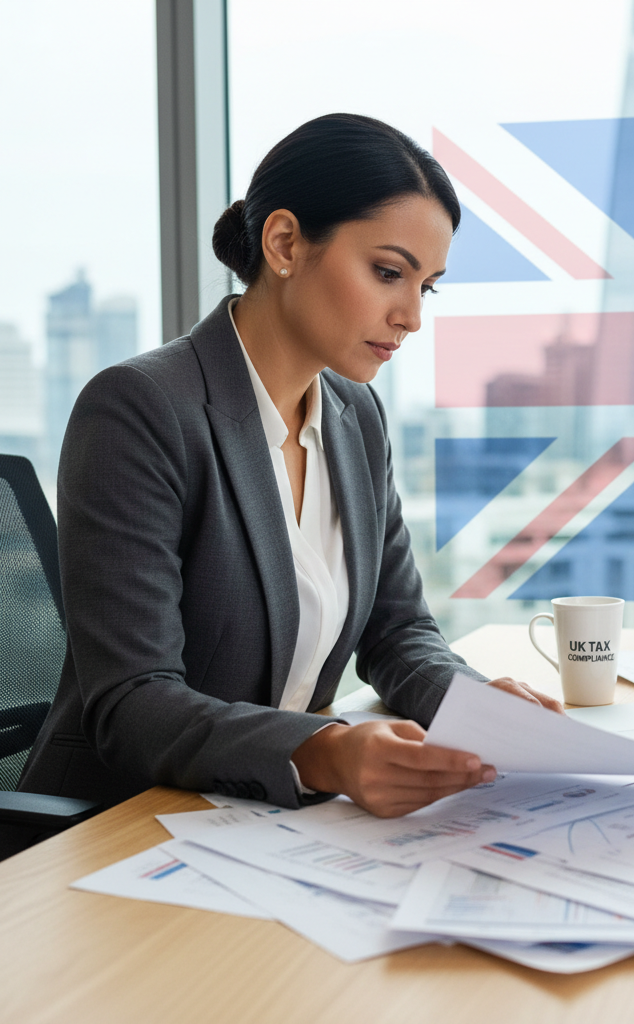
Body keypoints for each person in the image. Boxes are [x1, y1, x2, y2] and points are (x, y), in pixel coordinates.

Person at [19, 113, 561, 817]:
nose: (410, 317)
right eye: (388, 272)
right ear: (284, 243)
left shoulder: (354, 417)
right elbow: (133, 701)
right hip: (122, 823)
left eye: (425, 287)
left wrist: (475, 707)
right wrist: (327, 751)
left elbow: (398, 633)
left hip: (268, 824)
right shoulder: (141, 408)